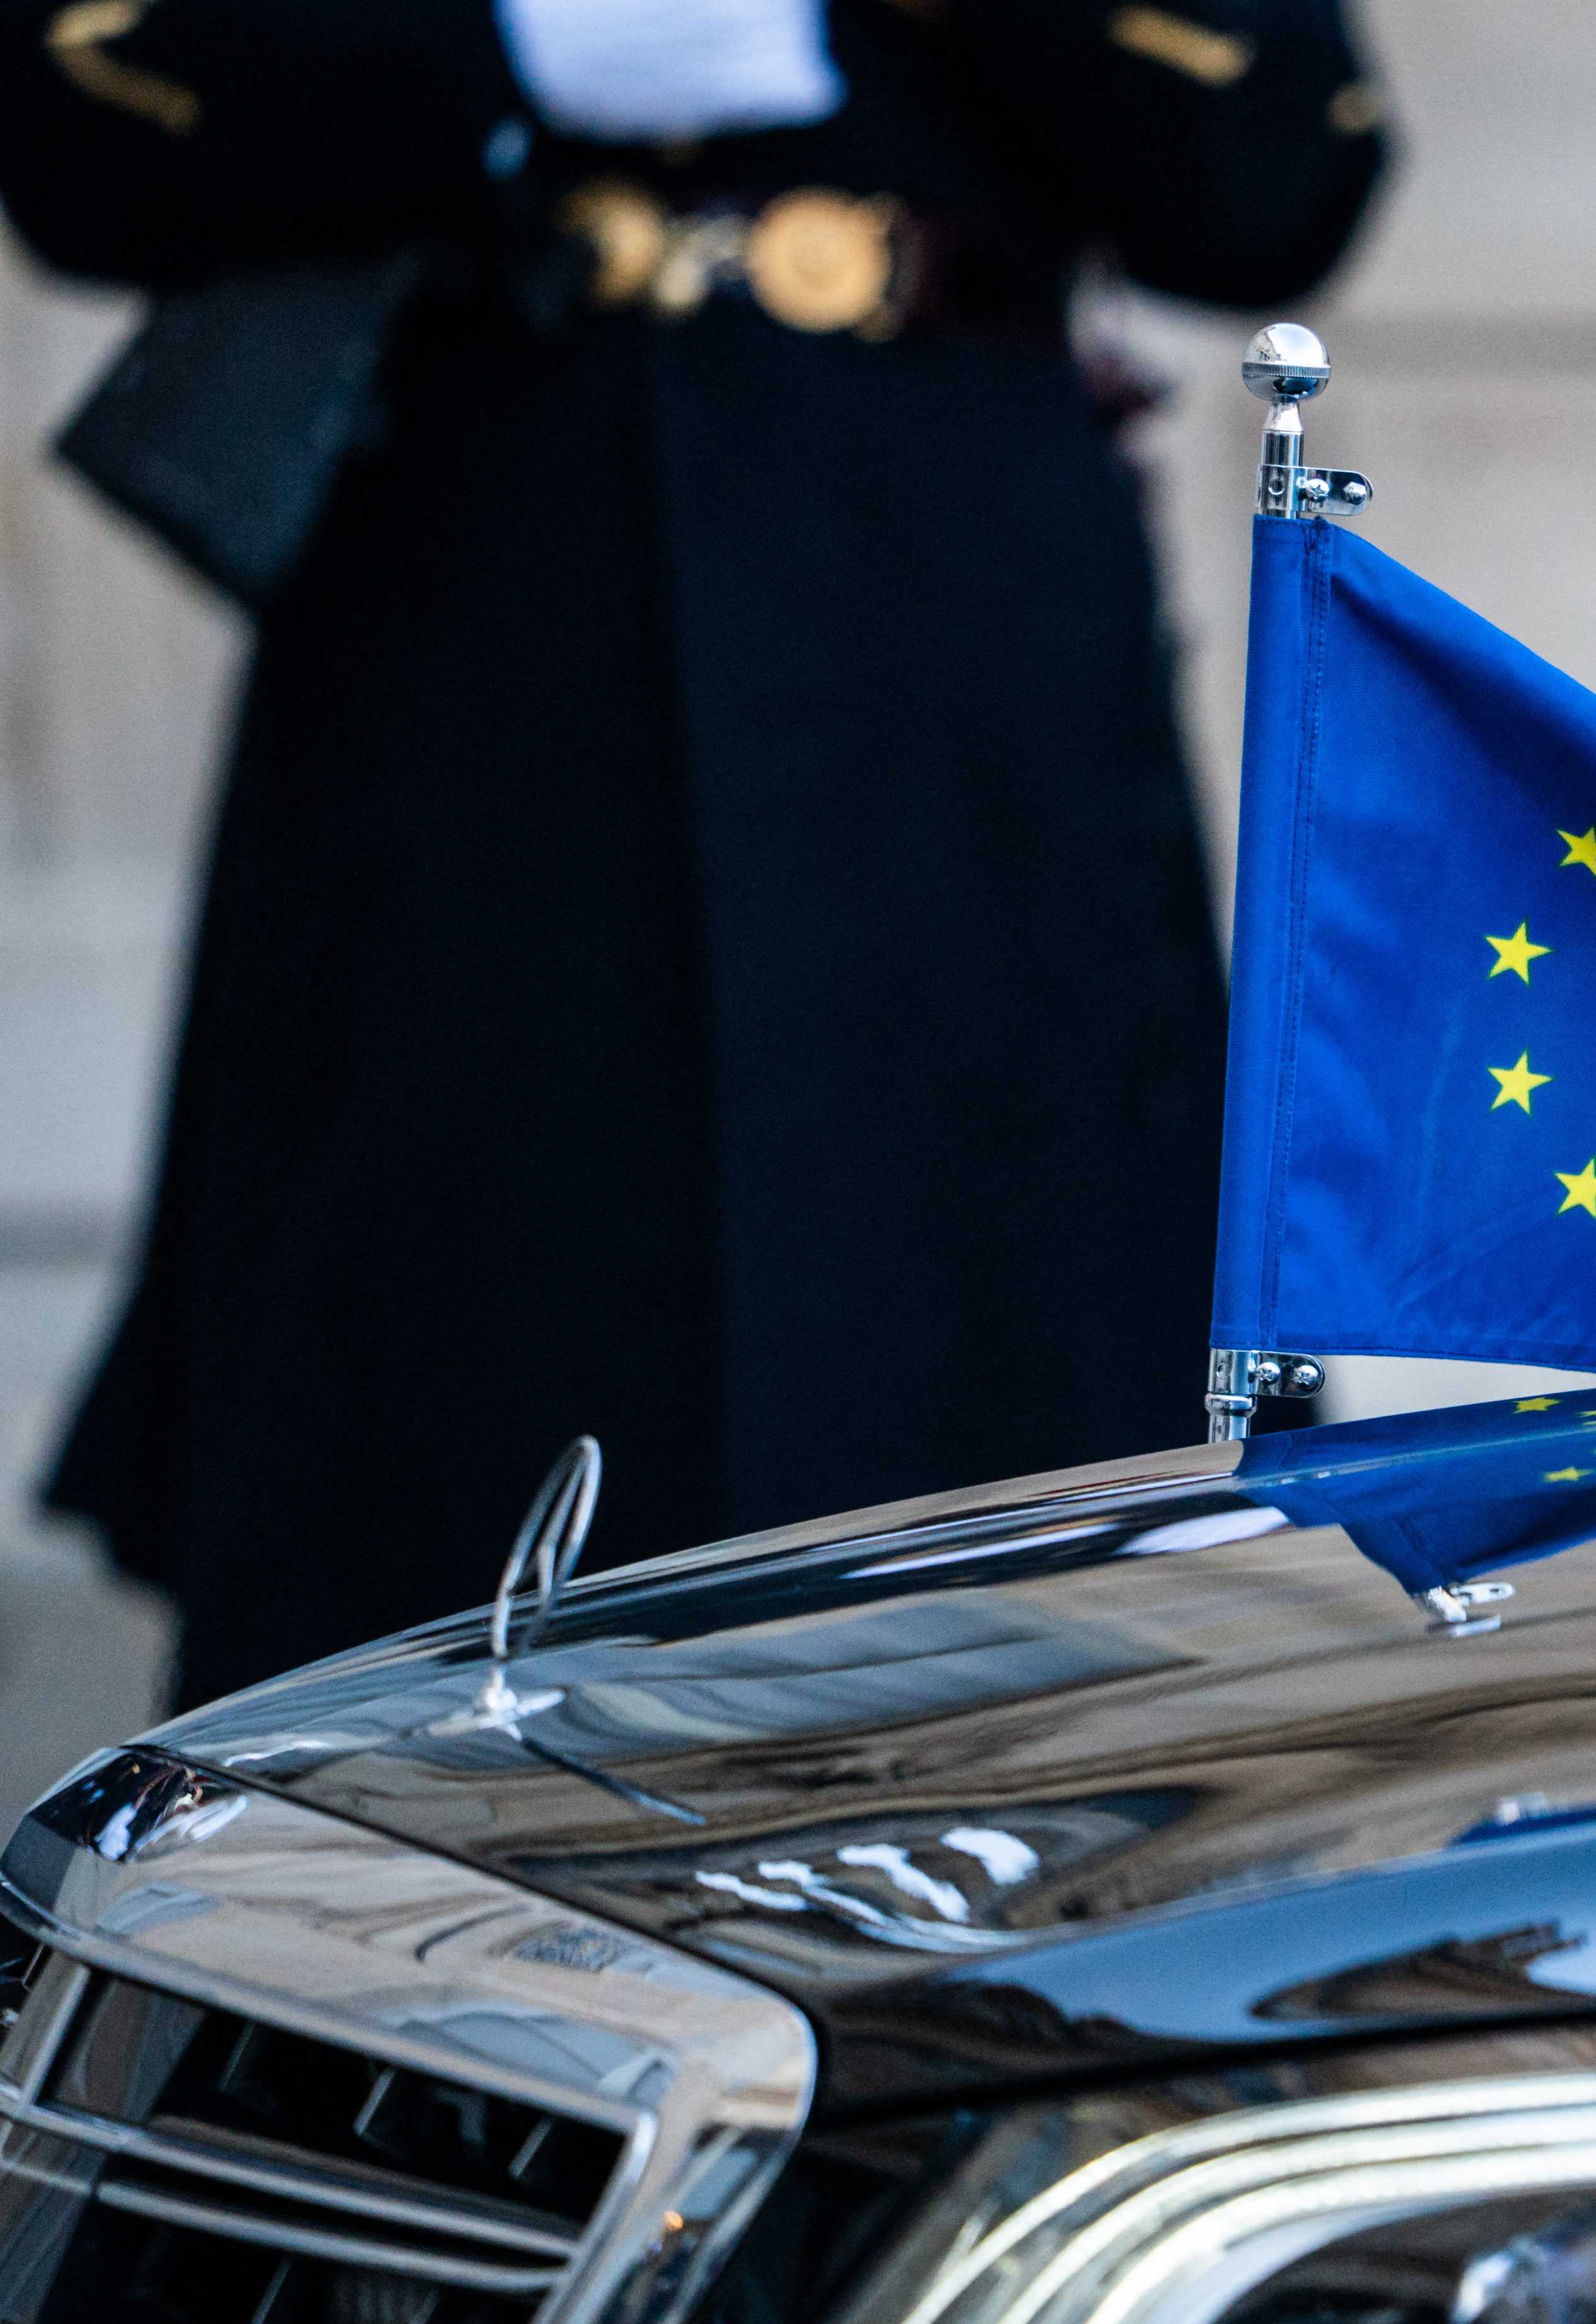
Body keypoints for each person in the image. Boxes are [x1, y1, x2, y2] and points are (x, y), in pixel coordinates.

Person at [3, 0, 1383, 1699]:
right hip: (478, 632)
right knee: (428, 1433)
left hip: (953, 659)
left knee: (1024, 1481)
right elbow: (82, 117)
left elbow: (1278, 171)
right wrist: (494, 50)